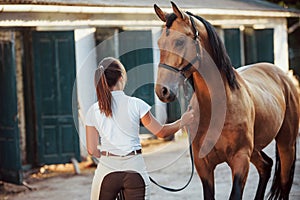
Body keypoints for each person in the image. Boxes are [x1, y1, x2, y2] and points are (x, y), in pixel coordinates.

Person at [85, 57, 194, 200]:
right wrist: (182, 121)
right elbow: (161, 132)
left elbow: (92, 150)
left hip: (107, 170)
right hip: (134, 168)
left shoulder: (93, 110)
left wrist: (109, 156)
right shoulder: (136, 104)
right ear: (121, 77)